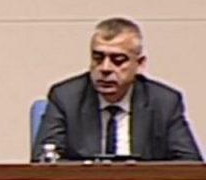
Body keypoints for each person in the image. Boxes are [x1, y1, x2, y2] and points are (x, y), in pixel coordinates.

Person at [32, 17, 202, 162]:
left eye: (118, 60)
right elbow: (43, 161)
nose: (105, 68)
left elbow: (189, 165)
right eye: (98, 58)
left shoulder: (164, 102)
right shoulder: (66, 97)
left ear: (139, 64)